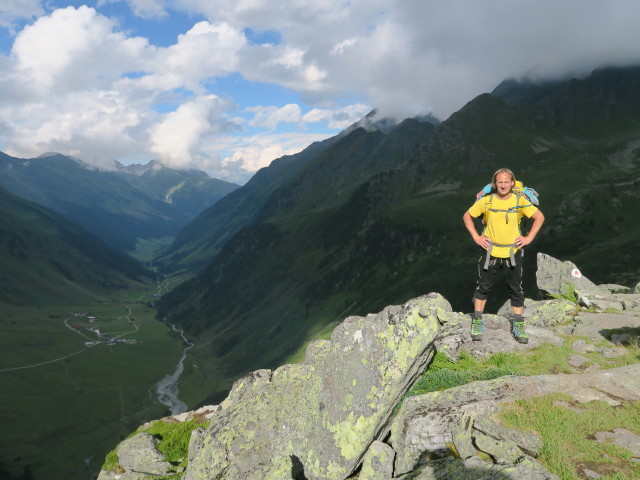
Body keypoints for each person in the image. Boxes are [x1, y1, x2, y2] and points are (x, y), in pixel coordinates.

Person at [462, 168, 545, 344]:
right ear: (495, 184)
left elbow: (539, 217)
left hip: (512, 252)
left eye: (506, 182)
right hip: (490, 251)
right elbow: (467, 216)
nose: (503, 185)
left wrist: (528, 238)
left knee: (515, 289)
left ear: (512, 183)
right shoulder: (487, 201)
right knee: (483, 287)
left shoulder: (520, 201)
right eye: (500, 182)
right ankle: (477, 321)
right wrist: (477, 237)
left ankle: (518, 324)